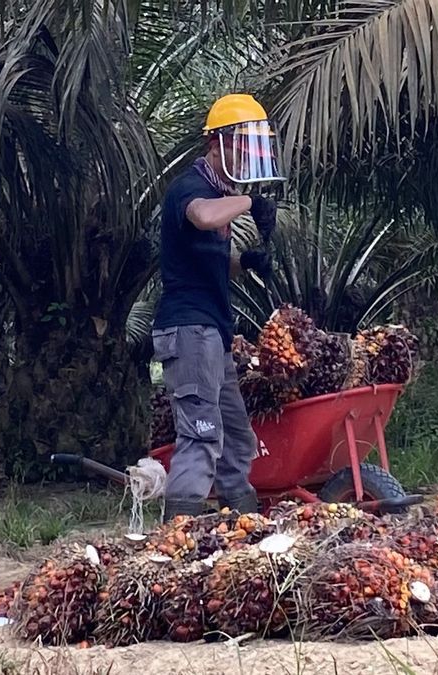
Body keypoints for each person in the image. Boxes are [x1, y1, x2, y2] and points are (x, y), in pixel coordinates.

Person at [150, 93, 285, 520]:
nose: (247, 159)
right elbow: (204, 217)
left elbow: (204, 258)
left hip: (212, 333)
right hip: (189, 330)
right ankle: (179, 532)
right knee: (202, 433)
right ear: (218, 145)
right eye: (243, 148)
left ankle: (241, 525)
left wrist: (242, 264)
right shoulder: (191, 188)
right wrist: (251, 203)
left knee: (236, 439)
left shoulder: (218, 192)